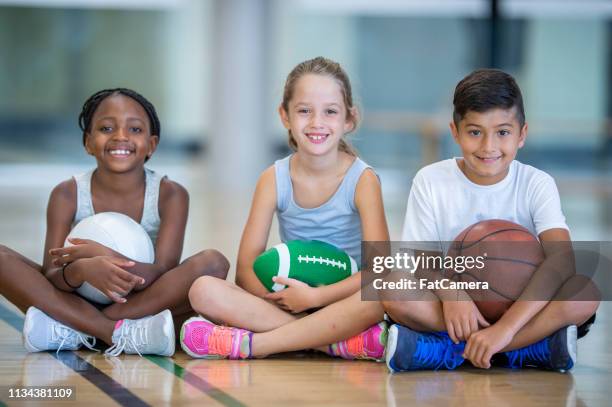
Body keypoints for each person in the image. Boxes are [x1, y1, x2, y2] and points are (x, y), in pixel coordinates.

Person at [384, 69, 600, 372]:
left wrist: (506, 329)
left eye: (502, 132)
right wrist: (452, 292)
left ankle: (459, 349)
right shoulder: (430, 180)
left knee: (585, 292)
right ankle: (530, 349)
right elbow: (421, 263)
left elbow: (562, 261)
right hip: (456, 309)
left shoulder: (536, 183)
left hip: (521, 308)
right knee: (392, 288)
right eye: (475, 132)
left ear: (522, 134)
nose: (488, 146)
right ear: (455, 132)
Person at [180, 56, 390, 360]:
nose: (317, 122)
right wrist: (284, 299)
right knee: (202, 290)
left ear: (348, 119)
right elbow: (245, 270)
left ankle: (256, 344)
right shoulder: (273, 178)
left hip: (342, 301)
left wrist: (316, 297)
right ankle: (332, 343)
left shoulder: (363, 180)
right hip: (288, 300)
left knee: (381, 297)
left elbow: (378, 271)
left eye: (330, 112)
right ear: (285, 115)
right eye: (304, 111)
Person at [0, 88, 229, 356]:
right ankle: (112, 332)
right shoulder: (66, 193)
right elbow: (53, 276)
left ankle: (76, 329)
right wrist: (83, 270)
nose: (121, 136)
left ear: (152, 144)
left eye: (135, 129)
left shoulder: (171, 194)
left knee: (213, 263)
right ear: (88, 142)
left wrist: (107, 255)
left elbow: (163, 272)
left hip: (139, 300)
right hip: (72, 297)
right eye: (107, 128)